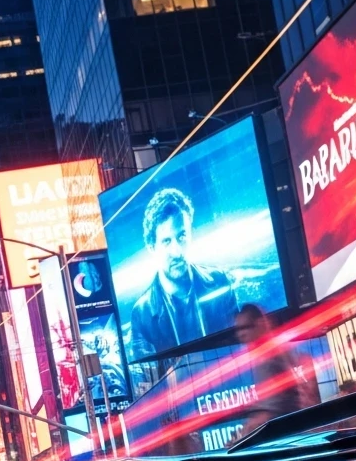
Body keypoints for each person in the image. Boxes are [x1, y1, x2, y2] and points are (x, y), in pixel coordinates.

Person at [129, 187, 239, 362]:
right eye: (166, 241)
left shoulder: (219, 282)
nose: (177, 251)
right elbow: (146, 377)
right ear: (152, 247)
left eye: (182, 236)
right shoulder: (142, 313)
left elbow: (241, 347)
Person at [233, 304, 304, 437]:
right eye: (237, 330)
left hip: (284, 435)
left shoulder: (269, 354)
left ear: (260, 323)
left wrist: (247, 431)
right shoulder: (265, 352)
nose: (240, 335)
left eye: (244, 328)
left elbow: (275, 407)